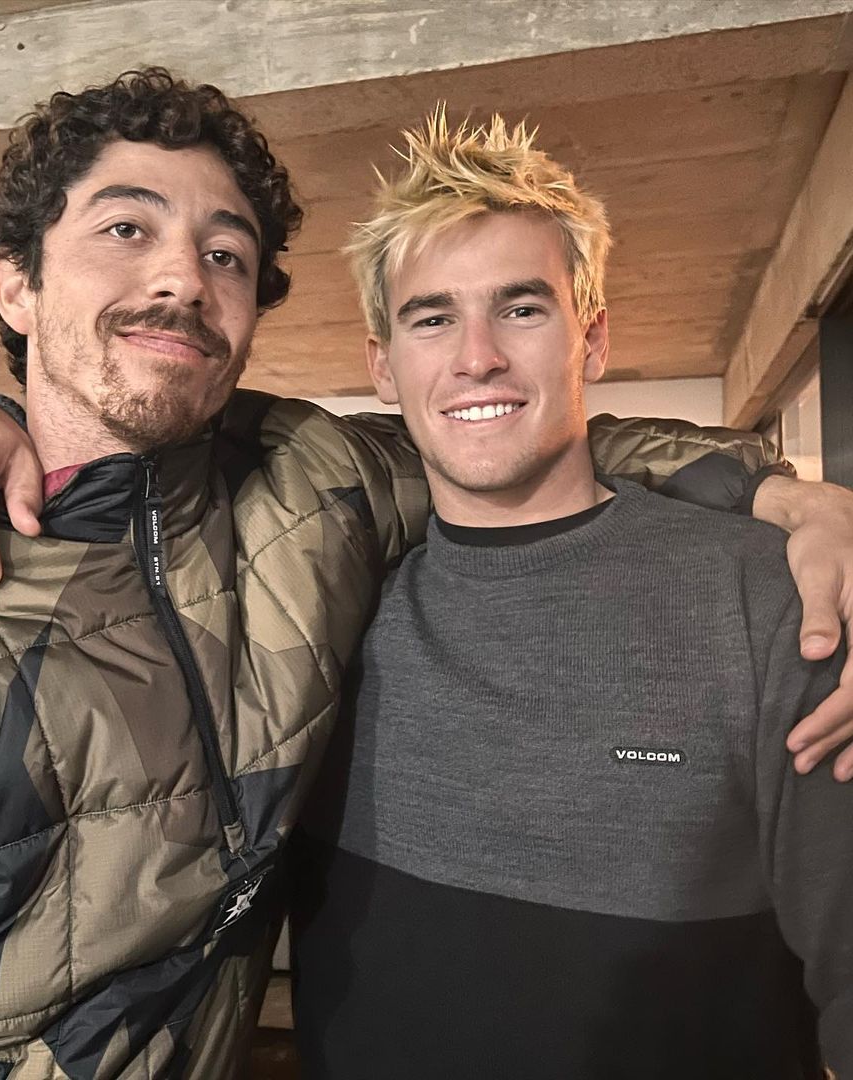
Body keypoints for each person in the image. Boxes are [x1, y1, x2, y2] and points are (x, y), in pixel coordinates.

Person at [0, 68, 851, 1079]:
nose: (181, 279)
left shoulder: (309, 493)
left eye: (226, 253)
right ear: (16, 282)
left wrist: (789, 496)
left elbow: (509, 434)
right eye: (126, 228)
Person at [289, 111, 852, 1079]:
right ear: (383, 366)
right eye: (432, 318)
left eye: (521, 309)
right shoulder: (332, 608)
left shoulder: (771, 600)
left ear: (590, 339)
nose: (476, 357)